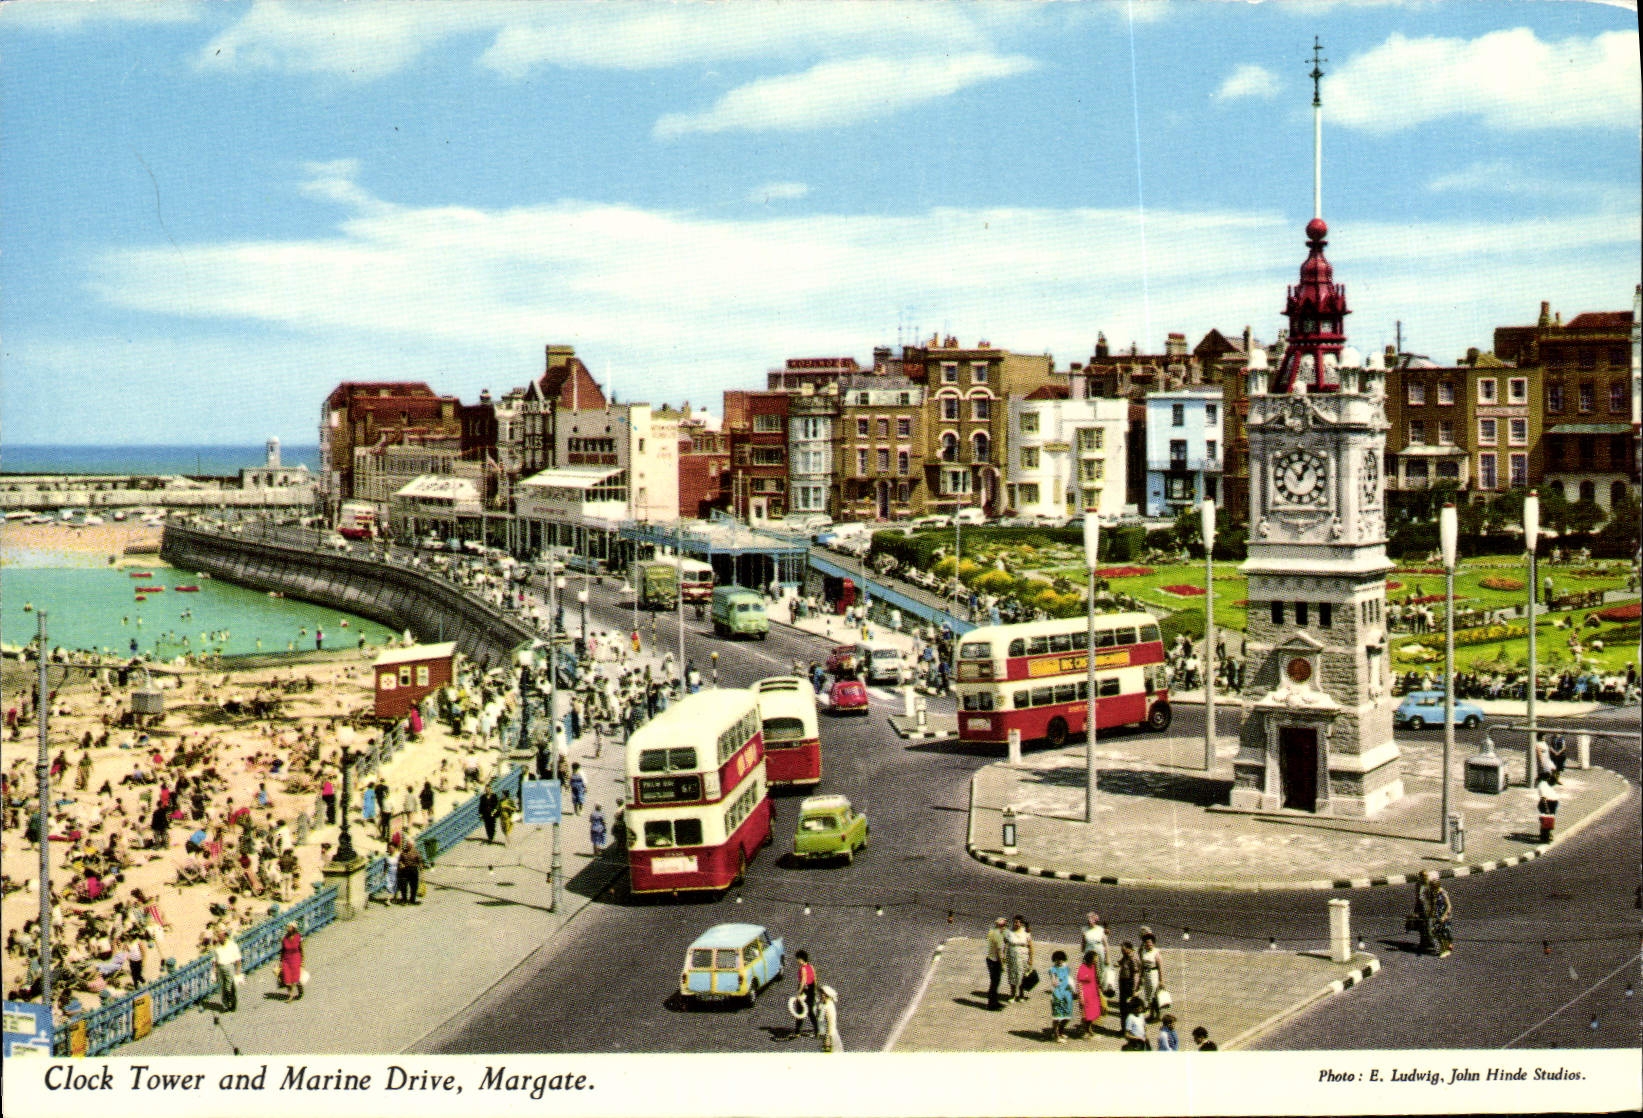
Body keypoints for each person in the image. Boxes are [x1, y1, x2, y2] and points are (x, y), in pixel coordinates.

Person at [1415, 870, 1454, 957]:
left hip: (1444, 916)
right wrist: (1431, 913)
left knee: (1443, 933)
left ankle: (1446, 949)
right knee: (1437, 932)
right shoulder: (1433, 893)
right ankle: (1443, 948)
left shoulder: (1442, 892)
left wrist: (1444, 917)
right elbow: (1432, 904)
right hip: (1436, 915)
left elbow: (1449, 906)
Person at [1047, 950, 1075, 1043]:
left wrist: (1072, 988)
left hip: (1067, 994)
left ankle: (1060, 1031)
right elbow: (1054, 981)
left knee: (1067, 1016)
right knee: (1057, 1016)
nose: (1059, 961)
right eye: (1057, 960)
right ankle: (1056, 1035)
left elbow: (1069, 979)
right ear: (1054, 960)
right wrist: (1055, 981)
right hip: (1058, 994)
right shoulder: (1053, 969)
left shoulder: (1066, 968)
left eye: (1061, 959)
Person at [1004, 914, 1033, 1002]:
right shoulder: (1009, 932)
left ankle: (1021, 995)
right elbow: (1005, 943)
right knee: (1012, 975)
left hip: (1023, 956)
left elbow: (1031, 947)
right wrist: (1003, 955)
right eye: (1015, 922)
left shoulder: (1026, 932)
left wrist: (1031, 959)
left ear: (1022, 923)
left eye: (1018, 922)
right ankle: (1012, 995)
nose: (1017, 924)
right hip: (1012, 955)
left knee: (1022, 976)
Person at [1076, 949, 1104, 1039]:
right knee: (1086, 1014)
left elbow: (1096, 979)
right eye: (1095, 958)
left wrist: (1099, 990)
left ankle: (1089, 1029)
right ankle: (1086, 1031)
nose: (1096, 960)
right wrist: (1081, 996)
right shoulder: (1083, 967)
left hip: (1093, 993)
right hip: (1085, 993)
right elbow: (1079, 983)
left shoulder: (1094, 967)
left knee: (1092, 1013)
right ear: (1090, 958)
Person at [1138, 930, 1165, 1020]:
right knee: (1148, 995)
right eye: (1146, 942)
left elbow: (1160, 967)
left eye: (1150, 942)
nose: (1148, 944)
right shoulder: (1143, 952)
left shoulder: (1156, 952)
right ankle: (1151, 1014)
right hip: (1146, 974)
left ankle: (1157, 1014)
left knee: (1154, 995)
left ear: (1153, 943)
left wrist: (1161, 980)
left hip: (1154, 974)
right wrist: (1140, 977)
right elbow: (1142, 965)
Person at [794, 949, 819, 1037]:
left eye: (798, 959)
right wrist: (815, 990)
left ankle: (797, 1031)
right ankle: (817, 1030)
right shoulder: (811, 966)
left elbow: (803, 981)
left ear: (801, 959)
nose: (797, 961)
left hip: (805, 990)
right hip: (811, 989)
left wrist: (798, 993)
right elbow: (815, 978)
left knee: (800, 1010)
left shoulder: (802, 969)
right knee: (810, 1011)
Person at [215, 929, 242, 1011]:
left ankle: (233, 1004)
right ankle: (226, 1005)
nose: (219, 939)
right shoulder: (217, 946)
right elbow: (215, 960)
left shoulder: (232, 945)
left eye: (220, 937)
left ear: (225, 936)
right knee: (223, 987)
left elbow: (238, 959)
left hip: (229, 966)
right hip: (220, 967)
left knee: (230, 987)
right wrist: (214, 971)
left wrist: (238, 971)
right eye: (218, 937)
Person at [984, 917, 1008, 1011]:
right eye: (1004, 926)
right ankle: (991, 1004)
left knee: (994, 983)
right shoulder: (998, 935)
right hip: (995, 961)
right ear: (1000, 926)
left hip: (990, 958)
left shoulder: (992, 931)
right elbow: (999, 952)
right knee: (994, 983)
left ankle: (994, 1001)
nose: (1005, 928)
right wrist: (1002, 965)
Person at [279, 922, 303, 1001]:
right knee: (287, 977)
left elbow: (301, 949)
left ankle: (300, 990)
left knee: (296, 978)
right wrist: (281, 961)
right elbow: (282, 950)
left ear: (293, 928)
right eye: (287, 927)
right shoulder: (284, 938)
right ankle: (290, 995)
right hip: (286, 959)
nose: (288, 928)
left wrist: (302, 960)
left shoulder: (298, 937)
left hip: (296, 958)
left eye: (289, 927)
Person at [1536, 772, 1560, 845]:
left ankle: (1545, 837)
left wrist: (1546, 808)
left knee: (1546, 819)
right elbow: (1543, 797)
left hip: (1549, 802)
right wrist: (1546, 808)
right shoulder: (1544, 784)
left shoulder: (1542, 784)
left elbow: (1543, 797)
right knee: (1548, 819)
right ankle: (1546, 836)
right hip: (1551, 802)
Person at [1117, 941, 1139, 1020]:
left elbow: (1135, 974)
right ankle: (1124, 1028)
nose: (1122, 951)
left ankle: (1128, 1028)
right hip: (1123, 983)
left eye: (1123, 949)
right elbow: (1122, 962)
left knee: (1128, 1006)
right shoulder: (1125, 956)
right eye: (1121, 950)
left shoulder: (1133, 958)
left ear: (1129, 949)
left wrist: (1134, 989)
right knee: (1122, 1006)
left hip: (1129, 984)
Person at [817, 985, 841, 1053]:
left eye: (823, 994)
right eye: (821, 994)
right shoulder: (826, 1005)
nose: (821, 996)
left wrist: (828, 1038)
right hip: (827, 1034)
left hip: (830, 1036)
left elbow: (830, 1023)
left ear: (827, 996)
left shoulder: (828, 1007)